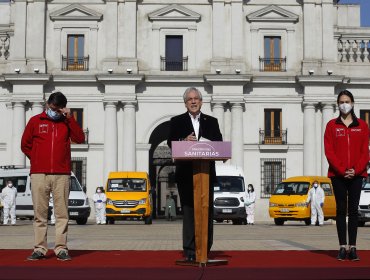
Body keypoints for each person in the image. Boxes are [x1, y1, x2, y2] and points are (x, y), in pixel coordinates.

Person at [21, 91, 85, 261]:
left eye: (59, 110)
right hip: (39, 174)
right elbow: (25, 144)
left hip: (62, 174)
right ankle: (40, 248)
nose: (55, 112)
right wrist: (36, 160)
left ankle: (61, 248)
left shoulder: (66, 122)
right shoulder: (35, 121)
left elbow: (80, 138)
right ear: (47, 104)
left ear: (63, 109)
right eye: (53, 108)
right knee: (40, 214)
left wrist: (70, 118)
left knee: (62, 214)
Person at [167, 87, 223, 262]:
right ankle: (190, 250)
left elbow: (219, 143)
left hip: (206, 174)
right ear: (185, 103)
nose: (193, 101)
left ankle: (205, 248)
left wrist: (209, 144)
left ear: (201, 101)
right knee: (189, 212)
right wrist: (184, 142)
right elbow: (171, 143)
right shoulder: (177, 121)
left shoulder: (212, 122)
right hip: (186, 175)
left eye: (196, 98)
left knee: (207, 213)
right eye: (190, 99)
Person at [324, 90, 369, 261]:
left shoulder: (362, 126)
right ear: (337, 104)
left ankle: (354, 247)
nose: (345, 104)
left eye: (347, 101)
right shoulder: (331, 126)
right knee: (341, 210)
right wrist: (343, 170)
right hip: (338, 175)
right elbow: (329, 152)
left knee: (354, 211)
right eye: (342, 101)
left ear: (353, 103)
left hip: (357, 175)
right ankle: (343, 246)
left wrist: (355, 170)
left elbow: (365, 152)